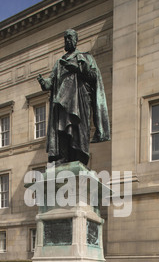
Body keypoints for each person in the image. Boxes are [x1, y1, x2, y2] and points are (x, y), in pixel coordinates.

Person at [37, 29, 110, 166]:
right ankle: (62, 157)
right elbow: (51, 82)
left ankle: (79, 158)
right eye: (66, 38)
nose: (68, 40)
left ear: (76, 40)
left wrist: (78, 69)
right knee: (62, 129)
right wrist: (43, 82)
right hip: (62, 103)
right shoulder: (59, 63)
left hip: (80, 100)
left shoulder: (85, 58)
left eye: (70, 38)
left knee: (78, 131)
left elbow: (94, 76)